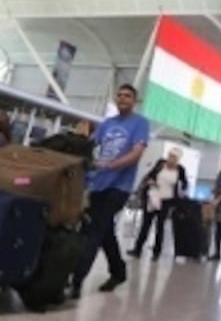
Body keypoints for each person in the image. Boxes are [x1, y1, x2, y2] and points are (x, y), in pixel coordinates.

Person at [72, 84, 149, 298]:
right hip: (98, 184)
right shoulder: (107, 124)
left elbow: (136, 153)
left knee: (93, 230)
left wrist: (112, 165)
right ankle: (118, 271)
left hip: (119, 187)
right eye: (120, 95)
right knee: (105, 231)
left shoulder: (140, 123)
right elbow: (90, 145)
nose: (123, 98)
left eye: (128, 96)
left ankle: (75, 280)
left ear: (134, 101)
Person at [129, 148, 189, 260]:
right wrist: (150, 181)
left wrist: (182, 189)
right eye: (170, 156)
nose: (171, 160)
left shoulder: (180, 170)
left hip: (167, 200)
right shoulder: (161, 164)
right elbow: (150, 175)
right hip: (153, 196)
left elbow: (184, 183)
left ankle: (156, 252)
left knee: (160, 226)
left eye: (174, 158)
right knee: (145, 224)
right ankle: (137, 249)